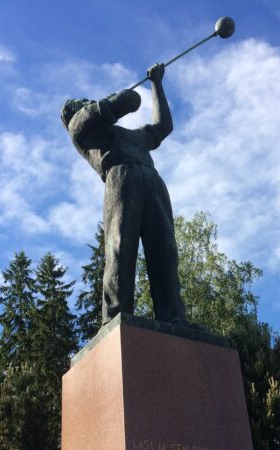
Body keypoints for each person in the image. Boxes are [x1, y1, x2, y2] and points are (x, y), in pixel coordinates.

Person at [62, 63, 189, 327]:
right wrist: (111, 100)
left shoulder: (131, 137)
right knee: (121, 246)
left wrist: (157, 84)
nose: (88, 102)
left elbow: (163, 126)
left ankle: (173, 316)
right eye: (83, 102)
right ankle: (117, 317)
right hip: (121, 179)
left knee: (165, 249)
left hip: (152, 181)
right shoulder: (80, 128)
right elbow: (126, 101)